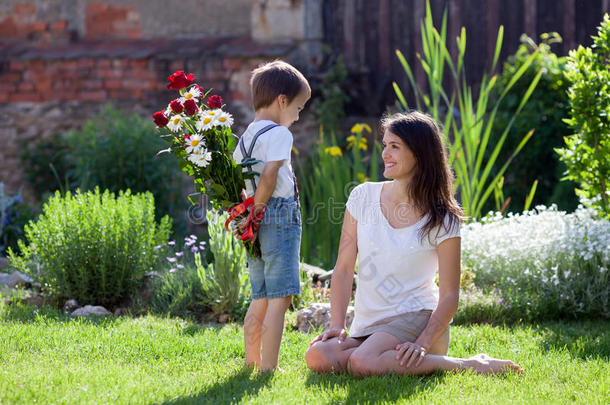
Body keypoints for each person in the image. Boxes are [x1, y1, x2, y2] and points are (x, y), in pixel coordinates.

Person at [305, 112, 522, 376]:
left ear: (419, 153)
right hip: (371, 326)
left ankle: (471, 364)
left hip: (418, 318)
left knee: (362, 363)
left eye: (395, 146)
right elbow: (343, 268)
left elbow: (450, 295)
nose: (385, 153)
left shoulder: (443, 217)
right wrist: (337, 325)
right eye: (385, 145)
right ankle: (381, 357)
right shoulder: (362, 197)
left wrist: (423, 342)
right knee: (318, 356)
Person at [233, 60, 311, 372]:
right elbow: (270, 174)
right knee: (281, 297)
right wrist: (260, 208)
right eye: (298, 107)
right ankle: (269, 368)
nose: (298, 115)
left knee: (261, 295)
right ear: (281, 101)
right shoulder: (279, 134)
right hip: (275, 213)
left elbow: (244, 182)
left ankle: (251, 362)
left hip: (255, 220)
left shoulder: (245, 138)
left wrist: (248, 214)